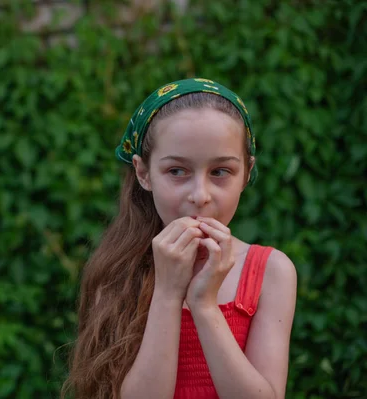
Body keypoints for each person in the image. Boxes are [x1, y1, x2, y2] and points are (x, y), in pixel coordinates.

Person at [61, 78, 297, 399]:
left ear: (246, 173)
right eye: (177, 171)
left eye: (220, 172)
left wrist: (204, 305)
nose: (199, 195)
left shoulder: (271, 271)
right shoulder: (118, 269)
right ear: (143, 173)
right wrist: (169, 294)